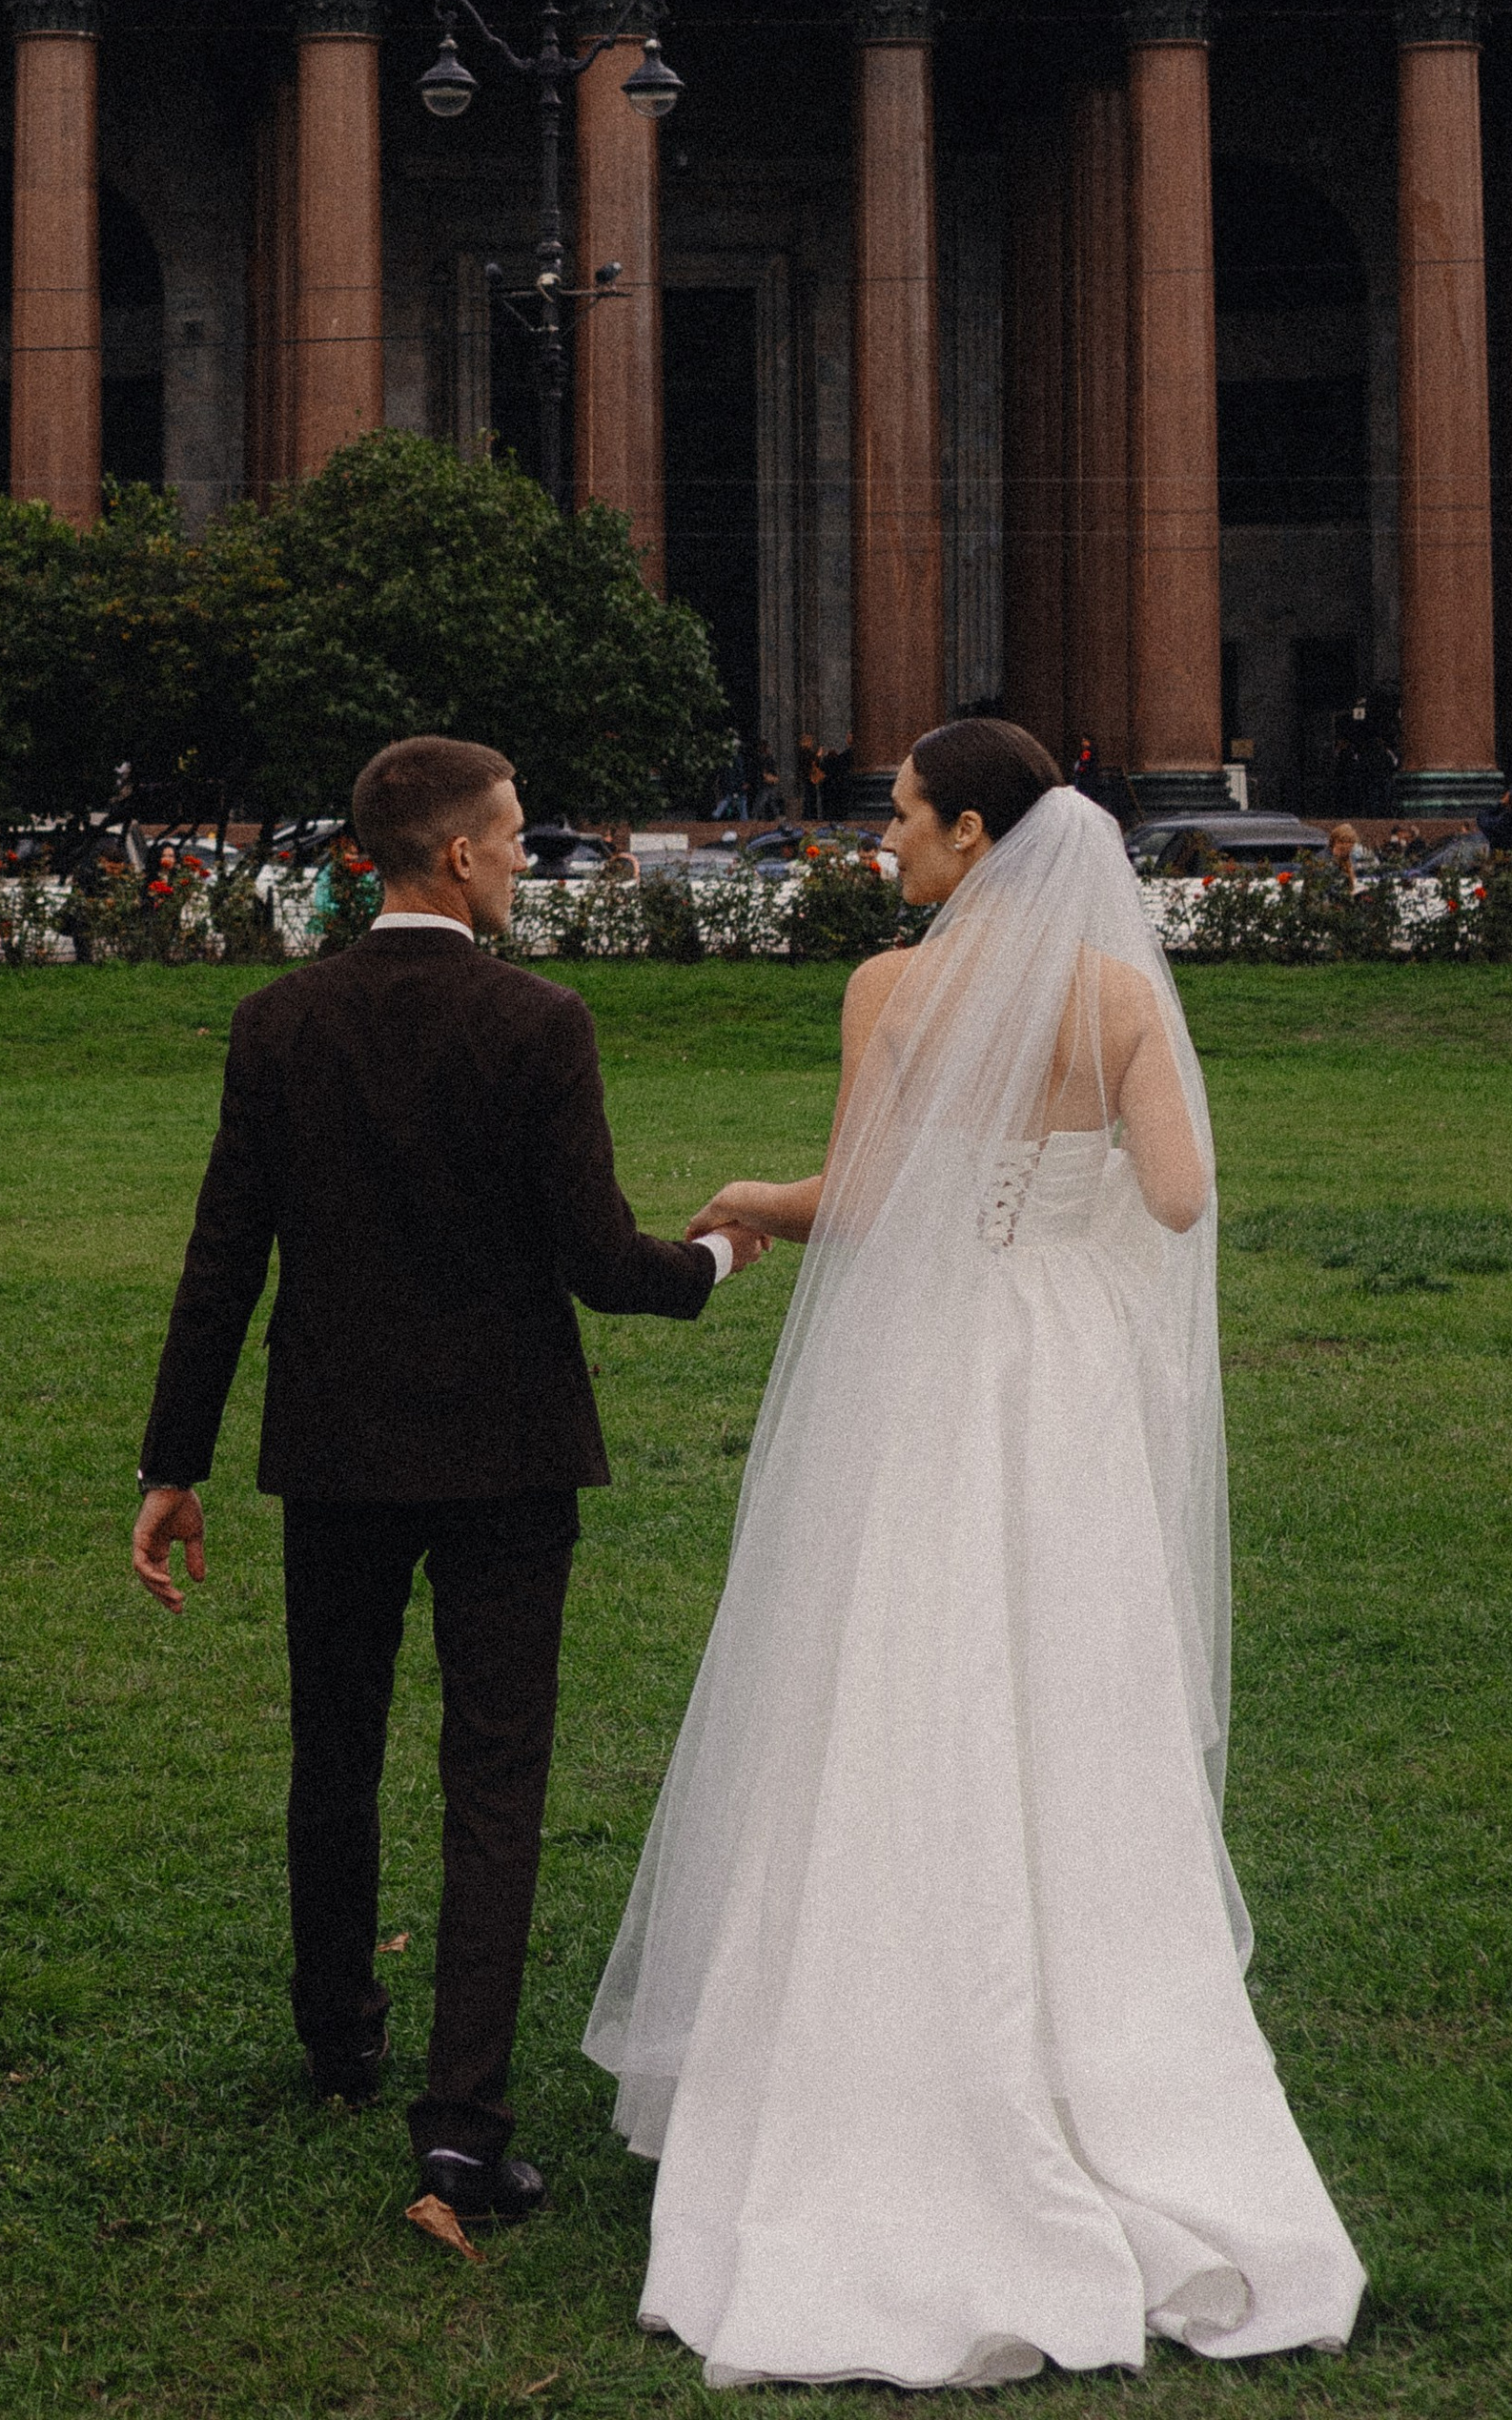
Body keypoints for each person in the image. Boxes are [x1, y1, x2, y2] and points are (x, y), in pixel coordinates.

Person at [585, 721, 1364, 2386]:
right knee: (1075, 1678)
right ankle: (1117, 2054)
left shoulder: (895, 989)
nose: (896, 846)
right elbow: (1176, 1198)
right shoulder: (1122, 996)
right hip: (1069, 1369)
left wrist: (759, 1199)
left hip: (944, 1366)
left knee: (910, 1661)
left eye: (907, 819)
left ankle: (888, 2047)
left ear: (972, 831)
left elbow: (862, 1201)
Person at [131, 735, 771, 2229]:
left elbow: (224, 1261)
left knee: (334, 1747)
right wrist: (727, 1256)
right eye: (517, 838)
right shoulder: (537, 1022)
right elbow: (600, 1265)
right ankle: (463, 2131)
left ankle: (338, 2034)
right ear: (461, 858)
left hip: (337, 1452)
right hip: (504, 1459)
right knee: (494, 1779)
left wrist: (175, 1462)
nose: (525, 859)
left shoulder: (279, 1020)